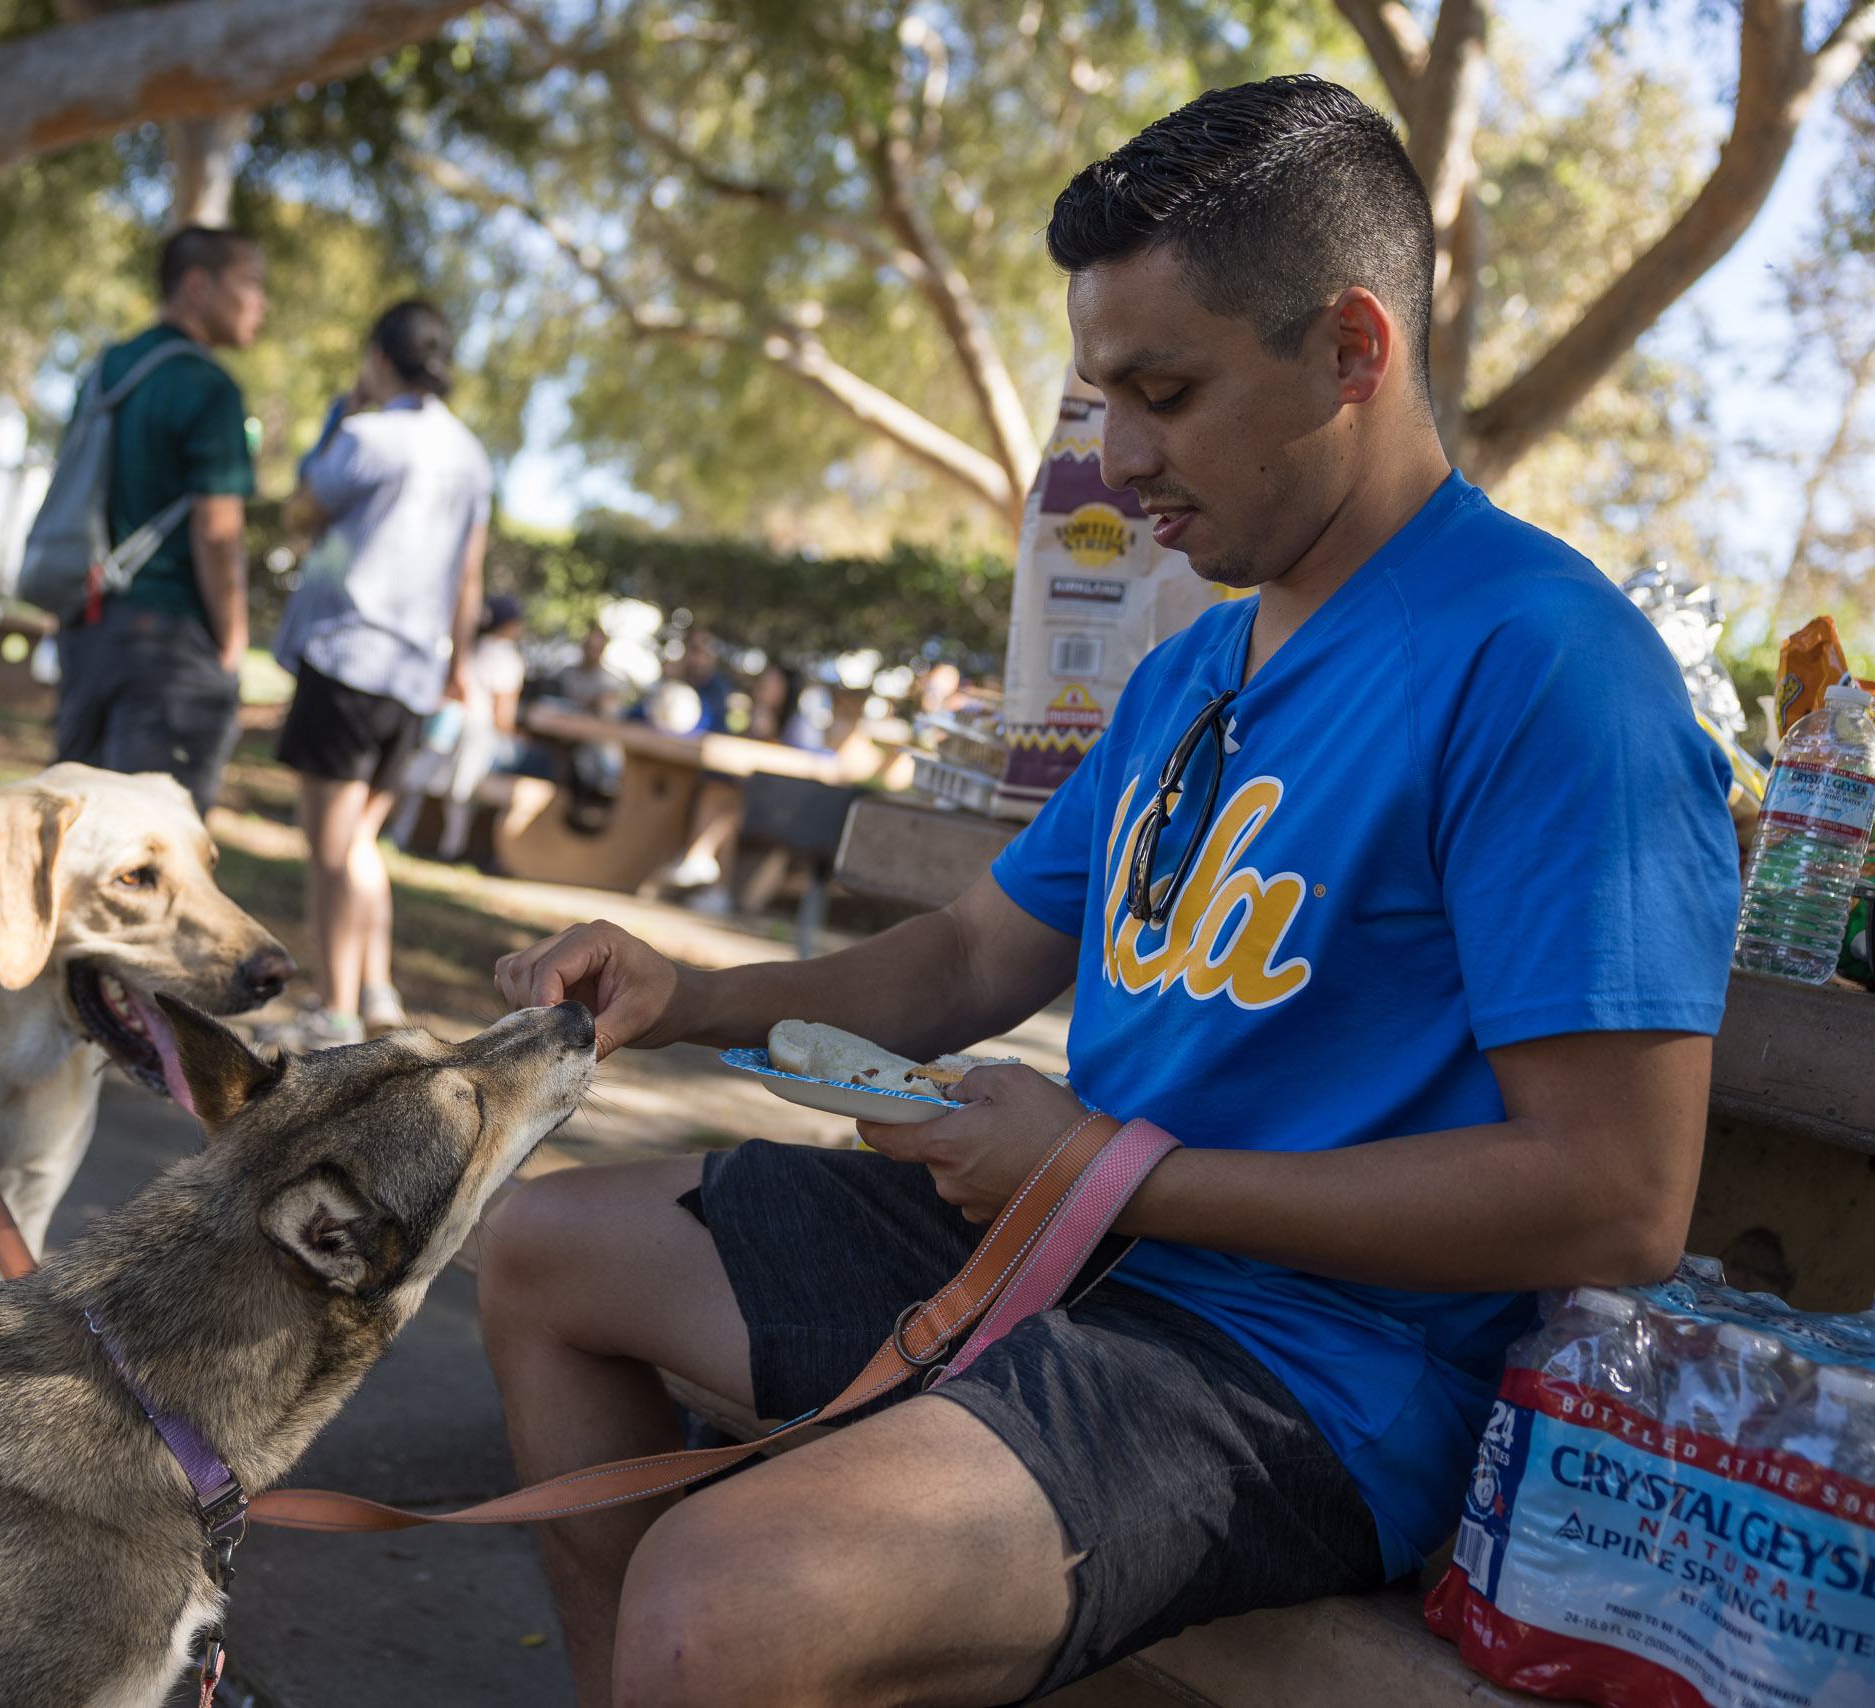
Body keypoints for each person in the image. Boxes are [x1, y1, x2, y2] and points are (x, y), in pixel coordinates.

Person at [479, 75, 1737, 1708]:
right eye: (1101, 394)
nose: (1118, 458)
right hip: (1069, 1241)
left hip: (1309, 1373)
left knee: (725, 1599)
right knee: (545, 1246)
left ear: (1354, 350)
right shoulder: (1193, 669)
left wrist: (1105, 1168)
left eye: (1166, 389)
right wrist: (680, 991)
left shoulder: (1551, 668)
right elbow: (964, 955)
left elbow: (1618, 1197)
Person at [267, 299, 494, 1048]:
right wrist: (458, 666)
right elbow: (470, 574)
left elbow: (302, 513)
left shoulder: (368, 436)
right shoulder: (470, 455)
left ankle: (335, 1011)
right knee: (361, 842)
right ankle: (377, 990)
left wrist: (340, 419)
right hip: (414, 672)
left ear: (380, 357)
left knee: (331, 847)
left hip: (347, 658)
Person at [52, 226, 266, 811]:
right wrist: (233, 639)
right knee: (155, 848)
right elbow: (217, 528)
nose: (260, 303)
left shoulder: (108, 369)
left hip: (91, 626)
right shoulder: (210, 388)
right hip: (171, 641)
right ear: (196, 285)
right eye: (249, 283)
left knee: (77, 825)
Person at [391, 593, 528, 860]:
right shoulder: (505, 658)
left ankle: (399, 835)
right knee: (460, 792)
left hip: (447, 721)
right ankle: (452, 849)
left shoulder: (466, 647)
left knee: (422, 781)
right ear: (508, 624)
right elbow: (503, 714)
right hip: (477, 728)